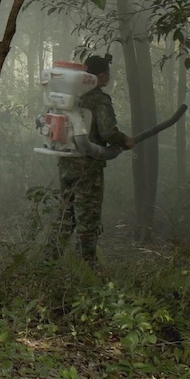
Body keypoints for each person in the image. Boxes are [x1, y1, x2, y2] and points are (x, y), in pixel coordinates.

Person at [52, 54, 135, 264]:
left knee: (65, 213)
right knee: (87, 219)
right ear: (100, 75)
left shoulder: (70, 95)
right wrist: (124, 140)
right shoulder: (99, 99)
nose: (109, 76)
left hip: (66, 161)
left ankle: (49, 261)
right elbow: (108, 132)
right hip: (87, 166)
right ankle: (86, 269)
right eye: (107, 72)